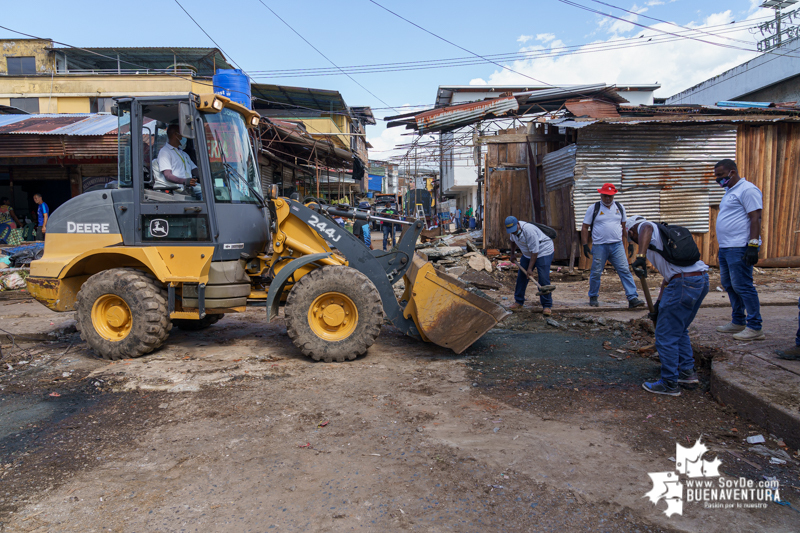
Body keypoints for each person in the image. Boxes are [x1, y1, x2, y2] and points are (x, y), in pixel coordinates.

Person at [628, 215, 709, 396]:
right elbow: (667, 279)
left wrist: (640, 256)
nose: (634, 240)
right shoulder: (663, 241)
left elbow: (645, 227)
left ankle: (669, 383)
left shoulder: (647, 228)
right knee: (679, 330)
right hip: (699, 279)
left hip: (684, 284)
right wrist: (658, 304)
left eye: (631, 237)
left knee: (665, 335)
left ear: (632, 232)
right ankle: (687, 373)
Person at [713, 159, 764, 341]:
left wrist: (752, 244)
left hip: (740, 246)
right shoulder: (730, 191)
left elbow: (755, 218)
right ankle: (738, 320)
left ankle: (755, 326)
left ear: (732, 172)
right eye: (716, 176)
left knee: (743, 285)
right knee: (729, 285)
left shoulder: (747, 190)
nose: (717, 179)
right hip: (727, 247)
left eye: (720, 175)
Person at [580, 183, 645, 309]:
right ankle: (593, 296)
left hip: (617, 245)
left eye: (610, 196)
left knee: (625, 270)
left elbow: (624, 226)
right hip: (599, 246)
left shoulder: (619, 207)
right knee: (596, 272)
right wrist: (584, 244)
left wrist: (630, 242)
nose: (608, 199)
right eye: (605, 196)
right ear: (601, 195)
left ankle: (632, 298)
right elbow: (584, 227)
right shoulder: (594, 208)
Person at [506, 216, 555, 316]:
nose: (514, 232)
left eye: (515, 230)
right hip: (528, 253)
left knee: (543, 278)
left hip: (543, 251)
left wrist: (529, 269)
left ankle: (547, 305)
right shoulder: (513, 231)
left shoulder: (529, 231)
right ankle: (519, 301)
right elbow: (512, 241)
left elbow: (535, 251)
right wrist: (512, 254)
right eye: (511, 231)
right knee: (521, 277)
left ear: (518, 224)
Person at [157, 124, 201, 200]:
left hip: (189, 186)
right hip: (178, 187)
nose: (183, 137)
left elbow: (195, 170)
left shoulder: (184, 153)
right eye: (182, 134)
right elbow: (168, 175)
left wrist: (211, 176)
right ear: (175, 135)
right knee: (204, 194)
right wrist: (185, 181)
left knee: (215, 190)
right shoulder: (165, 152)